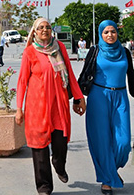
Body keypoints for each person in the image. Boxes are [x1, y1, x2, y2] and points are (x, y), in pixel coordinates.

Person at [15, 17, 86, 195]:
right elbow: (23, 81)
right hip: (37, 106)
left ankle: (59, 165)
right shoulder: (30, 52)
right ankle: (44, 187)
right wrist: (19, 108)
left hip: (58, 104)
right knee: (39, 147)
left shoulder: (59, 47)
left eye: (47, 27)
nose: (44, 30)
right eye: (41, 28)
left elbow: (68, 73)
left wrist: (79, 98)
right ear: (35, 32)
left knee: (60, 142)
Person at [81, 20, 134, 194]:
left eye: (113, 31)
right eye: (106, 32)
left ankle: (112, 170)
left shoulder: (125, 52)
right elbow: (84, 74)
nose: (110, 35)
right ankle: (107, 179)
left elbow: (132, 78)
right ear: (100, 34)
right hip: (99, 97)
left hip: (120, 97)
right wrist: (76, 98)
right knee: (102, 141)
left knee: (124, 142)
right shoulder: (95, 51)